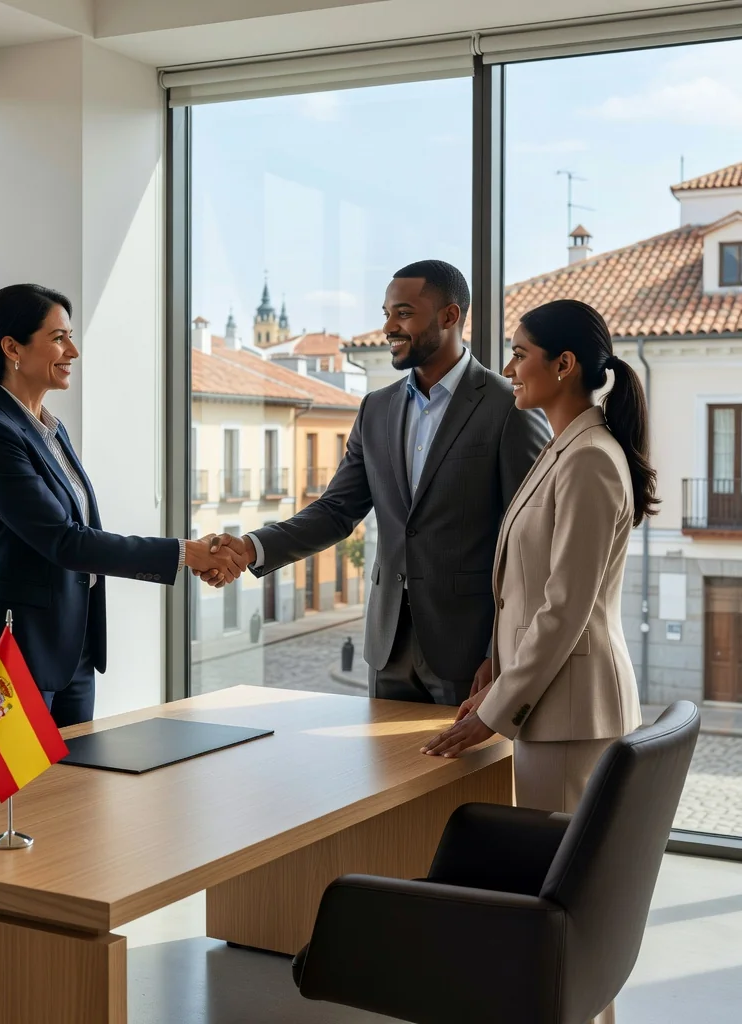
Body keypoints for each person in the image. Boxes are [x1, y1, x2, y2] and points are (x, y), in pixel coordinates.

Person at [422, 300, 656, 1024]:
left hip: (573, 711)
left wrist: (493, 715)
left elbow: (564, 608)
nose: (510, 365)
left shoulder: (588, 459)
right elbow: (529, 591)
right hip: (555, 700)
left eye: (520, 352)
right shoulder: (563, 447)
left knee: (565, 911)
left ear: (565, 366)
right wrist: (494, 669)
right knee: (568, 910)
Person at [203, 261, 550, 707]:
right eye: (386, 313)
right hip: (387, 647)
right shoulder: (376, 409)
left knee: (471, 777)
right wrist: (251, 548)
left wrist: (500, 650)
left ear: (449, 316)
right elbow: (335, 511)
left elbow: (529, 541)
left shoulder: (508, 407)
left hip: (471, 652)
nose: (388, 326)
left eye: (403, 313)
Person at [0, 283, 246, 727]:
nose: (73, 351)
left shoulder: (49, 429)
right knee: (18, 797)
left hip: (69, 652)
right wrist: (186, 553)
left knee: (77, 793)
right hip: (7, 654)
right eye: (59, 337)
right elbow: (65, 541)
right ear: (12, 348)